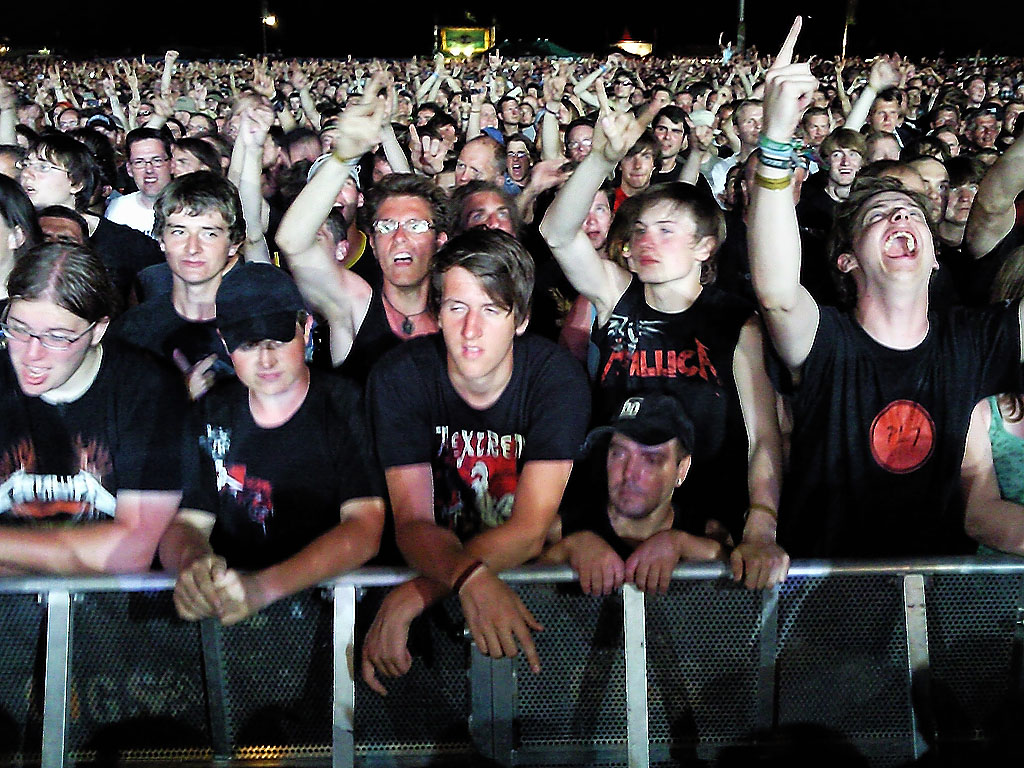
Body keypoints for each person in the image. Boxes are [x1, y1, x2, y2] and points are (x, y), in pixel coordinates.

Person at [748, 17, 1024, 558]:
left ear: (936, 260)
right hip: (823, 610)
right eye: (880, 214)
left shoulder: (972, 338)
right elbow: (777, 290)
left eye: (912, 213)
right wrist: (778, 137)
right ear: (848, 259)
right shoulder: (827, 340)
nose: (901, 215)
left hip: (932, 613)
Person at [539, 96, 787, 585]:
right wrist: (601, 161)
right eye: (640, 232)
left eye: (667, 230)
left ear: (704, 247)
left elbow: (763, 438)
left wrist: (761, 524)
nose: (647, 242)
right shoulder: (617, 295)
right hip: (612, 507)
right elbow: (557, 234)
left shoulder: (736, 322)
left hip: (702, 522)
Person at [361, 229, 590, 695]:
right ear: (436, 313)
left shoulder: (555, 381)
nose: (471, 330)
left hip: (519, 584)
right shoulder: (400, 377)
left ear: (520, 319)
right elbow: (413, 523)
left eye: (491, 309)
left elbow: (529, 530)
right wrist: (468, 579)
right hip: (437, 571)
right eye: (457, 307)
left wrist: (416, 594)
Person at [159, 263, 384, 624]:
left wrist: (263, 588)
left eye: (278, 339)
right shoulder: (213, 411)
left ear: (306, 328)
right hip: (236, 611)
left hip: (329, 609)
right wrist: (193, 568)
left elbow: (364, 528)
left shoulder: (343, 405)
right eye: (248, 345)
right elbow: (187, 522)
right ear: (225, 342)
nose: (266, 359)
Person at [0, 243, 184, 573]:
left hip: (109, 611)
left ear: (97, 329)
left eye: (56, 337)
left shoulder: (148, 389)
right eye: (18, 328)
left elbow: (130, 552)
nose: (31, 354)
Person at [544, 393, 788, 594]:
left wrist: (682, 545)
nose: (630, 472)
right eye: (618, 453)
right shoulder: (562, 529)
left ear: (681, 469)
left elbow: (740, 598)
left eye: (651, 459)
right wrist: (566, 551)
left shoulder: (706, 532)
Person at [112, 171, 244, 399]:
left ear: (233, 244)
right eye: (179, 232)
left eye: (209, 234)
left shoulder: (260, 323)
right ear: (161, 240)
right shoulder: (132, 332)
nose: (192, 247)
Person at [105, 127, 174, 238]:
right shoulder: (116, 208)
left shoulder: (190, 207)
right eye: (139, 162)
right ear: (129, 169)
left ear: (172, 164)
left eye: (157, 160)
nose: (149, 170)